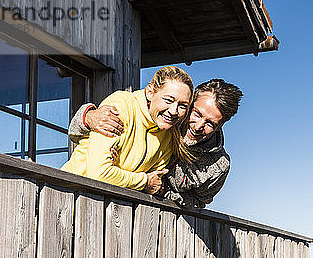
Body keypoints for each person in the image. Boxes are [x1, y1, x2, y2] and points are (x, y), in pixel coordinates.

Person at [68, 79, 242, 207]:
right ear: (189, 104)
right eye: (196, 113)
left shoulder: (219, 166)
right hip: (89, 197)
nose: (198, 126)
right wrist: (89, 116)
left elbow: (199, 202)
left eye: (210, 123)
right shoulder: (164, 119)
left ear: (221, 125)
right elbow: (75, 134)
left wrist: (162, 190)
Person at [62, 66, 194, 195]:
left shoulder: (168, 136)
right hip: (68, 193)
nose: (174, 111)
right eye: (168, 100)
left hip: (108, 206)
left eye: (182, 106)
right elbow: (99, 173)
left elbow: (156, 183)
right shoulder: (122, 105)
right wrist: (144, 181)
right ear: (150, 93)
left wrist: (119, 172)